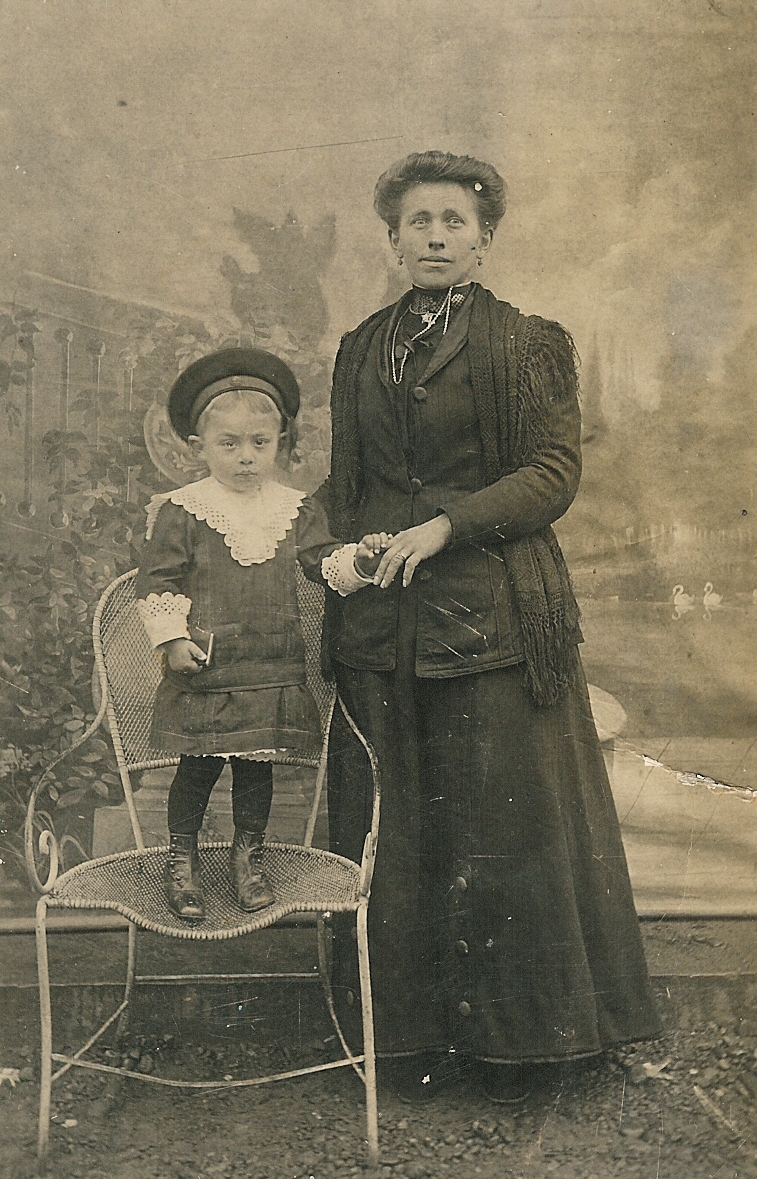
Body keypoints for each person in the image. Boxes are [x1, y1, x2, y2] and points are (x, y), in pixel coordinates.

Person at [312, 151, 661, 1102]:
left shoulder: (527, 342)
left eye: (453, 221)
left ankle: (528, 1050)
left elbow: (552, 472)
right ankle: (410, 1043)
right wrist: (322, 548)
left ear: (484, 238)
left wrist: (444, 526)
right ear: (392, 241)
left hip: (495, 618)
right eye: (417, 222)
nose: (434, 236)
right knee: (399, 836)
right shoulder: (360, 347)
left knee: (505, 832)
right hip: (384, 629)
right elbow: (348, 483)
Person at [135, 348, 379, 920]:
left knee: (255, 770)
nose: (246, 458)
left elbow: (322, 562)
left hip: (271, 667)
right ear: (197, 447)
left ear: (280, 444)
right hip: (209, 669)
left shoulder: (295, 510)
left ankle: (249, 860)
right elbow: (158, 579)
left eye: (260, 443)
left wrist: (360, 561)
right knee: (197, 768)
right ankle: (181, 863)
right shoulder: (183, 510)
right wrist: (172, 639)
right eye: (229, 444)